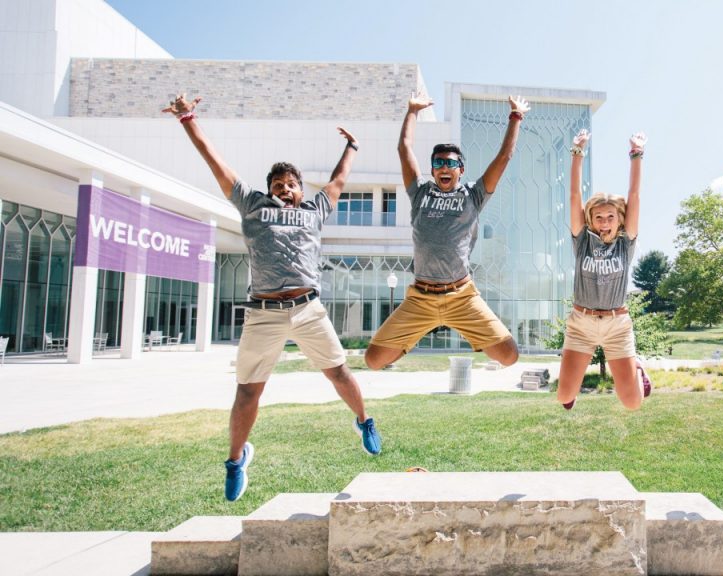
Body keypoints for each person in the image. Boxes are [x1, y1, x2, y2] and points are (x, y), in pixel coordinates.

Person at [163, 93, 382, 502]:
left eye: (292, 184)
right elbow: (216, 163)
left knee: (339, 373)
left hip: (307, 309)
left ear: (300, 190)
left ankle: (364, 420)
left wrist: (351, 147)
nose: (285, 188)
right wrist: (188, 119)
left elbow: (337, 181)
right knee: (248, 391)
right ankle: (235, 459)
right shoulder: (251, 205)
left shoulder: (314, 210)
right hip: (263, 313)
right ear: (268, 190)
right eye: (278, 184)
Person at [363, 93, 530, 369]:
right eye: (438, 163)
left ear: (460, 170)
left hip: (461, 296)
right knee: (373, 360)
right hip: (420, 297)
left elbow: (504, 157)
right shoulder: (420, 192)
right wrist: (412, 111)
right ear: (432, 169)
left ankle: (461, 328)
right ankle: (414, 335)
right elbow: (404, 149)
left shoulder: (473, 195)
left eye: (450, 163)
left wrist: (516, 116)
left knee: (509, 355)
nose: (444, 167)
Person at [556, 129, 647, 411]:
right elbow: (573, 196)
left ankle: (639, 372)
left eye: (610, 217)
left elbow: (634, 194)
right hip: (581, 324)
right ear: (591, 220)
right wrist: (577, 152)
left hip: (617, 326)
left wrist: (636, 154)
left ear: (619, 220)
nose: (605, 222)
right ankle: (571, 388)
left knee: (632, 403)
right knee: (563, 397)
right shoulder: (582, 241)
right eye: (599, 217)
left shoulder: (626, 243)